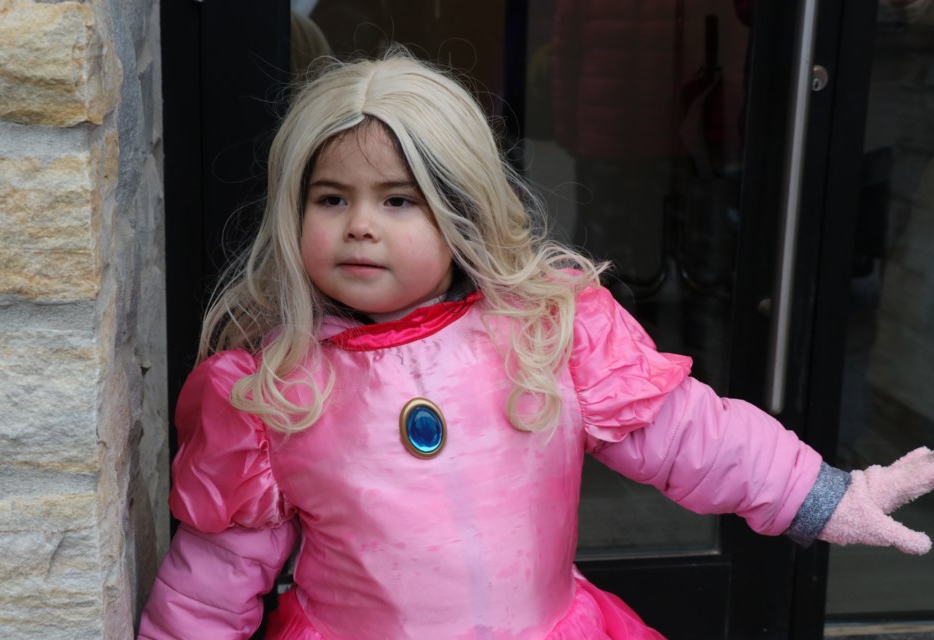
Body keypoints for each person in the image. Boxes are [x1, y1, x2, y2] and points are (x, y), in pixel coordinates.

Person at [137, 50, 934, 640]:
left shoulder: (548, 333)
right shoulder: (270, 391)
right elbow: (213, 581)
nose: (361, 225)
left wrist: (823, 494)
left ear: (461, 215)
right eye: (332, 197)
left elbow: (693, 437)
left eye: (399, 200)